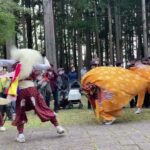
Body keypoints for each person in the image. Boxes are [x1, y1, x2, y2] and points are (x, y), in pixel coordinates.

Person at [0, 48, 65, 143]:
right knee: (43, 107)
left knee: (20, 111)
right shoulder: (32, 64)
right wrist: (45, 58)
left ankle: (21, 135)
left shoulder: (14, 63)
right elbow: (47, 66)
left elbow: (1, 61)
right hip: (32, 90)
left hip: (22, 92)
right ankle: (58, 126)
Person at [82, 66, 148, 125]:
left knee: (103, 107)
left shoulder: (93, 74)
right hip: (104, 93)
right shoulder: (94, 74)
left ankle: (109, 118)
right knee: (103, 106)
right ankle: (109, 117)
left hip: (106, 93)